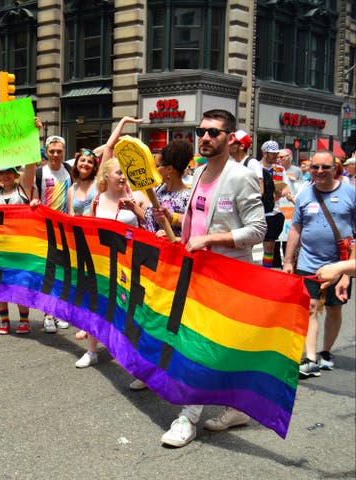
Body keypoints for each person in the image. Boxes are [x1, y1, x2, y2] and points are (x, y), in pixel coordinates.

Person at [161, 109, 266, 448]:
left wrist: (210, 241)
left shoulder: (239, 176)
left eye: (214, 133)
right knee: (213, 347)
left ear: (230, 138)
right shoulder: (201, 172)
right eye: (201, 131)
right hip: (198, 275)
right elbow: (201, 223)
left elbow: (259, 229)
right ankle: (237, 407)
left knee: (200, 348)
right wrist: (175, 219)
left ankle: (187, 417)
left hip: (228, 279)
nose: (205, 137)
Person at [283, 150, 356, 377]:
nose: (320, 171)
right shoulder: (305, 194)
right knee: (310, 308)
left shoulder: (350, 193)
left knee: (334, 308)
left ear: (335, 168)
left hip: (341, 263)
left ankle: (325, 352)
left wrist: (347, 272)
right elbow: (296, 229)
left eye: (325, 167)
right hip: (309, 261)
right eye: (315, 167)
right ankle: (311, 358)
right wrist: (287, 260)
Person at [75, 157, 150, 369]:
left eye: (125, 172)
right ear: (106, 176)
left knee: (127, 306)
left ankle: (125, 350)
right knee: (96, 303)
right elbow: (90, 230)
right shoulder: (97, 200)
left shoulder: (137, 196)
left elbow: (152, 225)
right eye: (119, 172)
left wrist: (136, 210)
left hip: (130, 263)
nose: (123, 177)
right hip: (102, 262)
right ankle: (92, 351)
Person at [0, 164, 36, 334]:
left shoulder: (24, 188)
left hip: (20, 246)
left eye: (9, 172)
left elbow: (31, 166)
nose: (5, 176)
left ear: (15, 174)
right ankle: (4, 321)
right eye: (1, 173)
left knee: (20, 283)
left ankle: (24, 320)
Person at [32, 134, 74, 333]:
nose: (56, 155)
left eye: (59, 151)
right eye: (52, 151)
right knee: (48, 273)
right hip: (45, 231)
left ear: (64, 152)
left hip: (65, 231)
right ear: (46, 153)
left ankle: (59, 312)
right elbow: (32, 196)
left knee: (62, 273)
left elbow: (101, 151)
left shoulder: (69, 170)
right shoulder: (40, 173)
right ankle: (48, 314)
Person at [66, 147, 100, 340]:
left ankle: (96, 323)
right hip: (80, 241)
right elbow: (71, 214)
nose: (85, 164)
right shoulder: (72, 189)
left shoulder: (99, 184)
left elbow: (108, 148)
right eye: (82, 161)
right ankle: (86, 323)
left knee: (97, 284)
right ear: (76, 165)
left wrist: (123, 123)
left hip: (98, 240)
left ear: (94, 166)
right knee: (84, 283)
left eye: (89, 161)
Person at [144, 139, 193, 238]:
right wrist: (133, 208)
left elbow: (195, 229)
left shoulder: (188, 197)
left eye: (156, 166)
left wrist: (172, 237)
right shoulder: (159, 190)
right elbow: (150, 219)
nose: (154, 169)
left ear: (169, 169)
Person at [258, 140, 285, 268]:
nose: (276, 156)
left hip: (273, 211)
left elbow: (285, 189)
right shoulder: (255, 167)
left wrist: (282, 192)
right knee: (247, 244)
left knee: (269, 247)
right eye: (272, 153)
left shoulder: (280, 169)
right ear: (264, 152)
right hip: (256, 211)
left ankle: (266, 270)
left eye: (277, 153)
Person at [229, 129, 264, 194]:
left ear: (242, 146)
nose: (229, 145)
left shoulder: (252, 163)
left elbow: (260, 190)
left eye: (232, 143)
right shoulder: (229, 162)